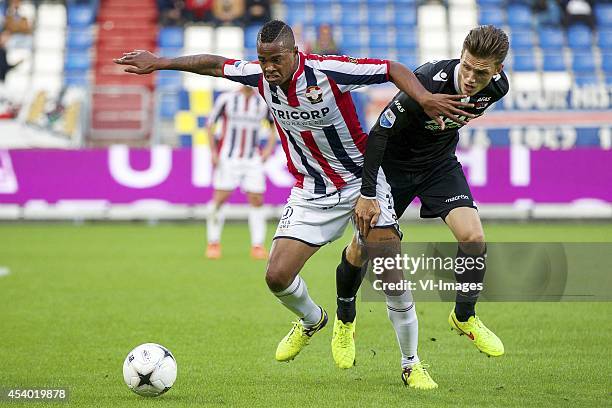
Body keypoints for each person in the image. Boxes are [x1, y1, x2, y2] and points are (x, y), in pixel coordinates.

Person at [114, 19, 473, 389]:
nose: (268, 67)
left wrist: (424, 98)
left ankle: (411, 363)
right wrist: (159, 61)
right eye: (262, 59)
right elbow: (213, 64)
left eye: (276, 59)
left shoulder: (329, 71)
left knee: (390, 274)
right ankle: (312, 319)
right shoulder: (257, 77)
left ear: (294, 53)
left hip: (359, 183)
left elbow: (392, 69)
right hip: (310, 191)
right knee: (276, 276)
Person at [350, 25, 509, 360]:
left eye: (481, 73)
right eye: (466, 66)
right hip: (392, 169)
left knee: (474, 238)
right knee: (360, 250)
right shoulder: (426, 82)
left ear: (498, 71)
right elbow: (379, 133)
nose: (470, 77)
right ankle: (344, 318)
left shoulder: (497, 89)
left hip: (438, 166)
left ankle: (464, 317)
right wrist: (368, 192)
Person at [205, 85, 277, 260]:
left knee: (257, 199)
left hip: (252, 158)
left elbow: (275, 125)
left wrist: (268, 149)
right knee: (220, 198)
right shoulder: (227, 98)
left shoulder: (262, 101)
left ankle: (257, 245)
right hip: (228, 157)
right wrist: (213, 151)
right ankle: (213, 242)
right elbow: (210, 125)